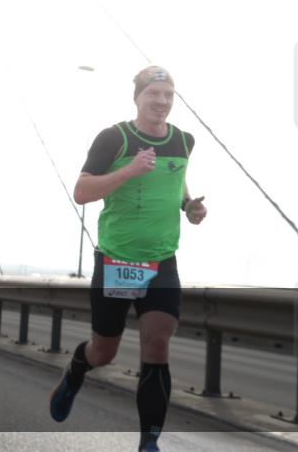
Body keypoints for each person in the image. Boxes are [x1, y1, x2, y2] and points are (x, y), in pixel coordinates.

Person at [48, 66, 207, 452]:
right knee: (105, 351)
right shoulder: (114, 138)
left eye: (168, 94)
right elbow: (82, 191)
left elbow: (176, 178)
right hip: (118, 260)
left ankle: (148, 442)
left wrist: (189, 206)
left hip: (161, 262)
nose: (162, 101)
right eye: (154, 94)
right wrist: (131, 170)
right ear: (137, 97)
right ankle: (77, 370)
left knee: (157, 344)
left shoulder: (184, 141)